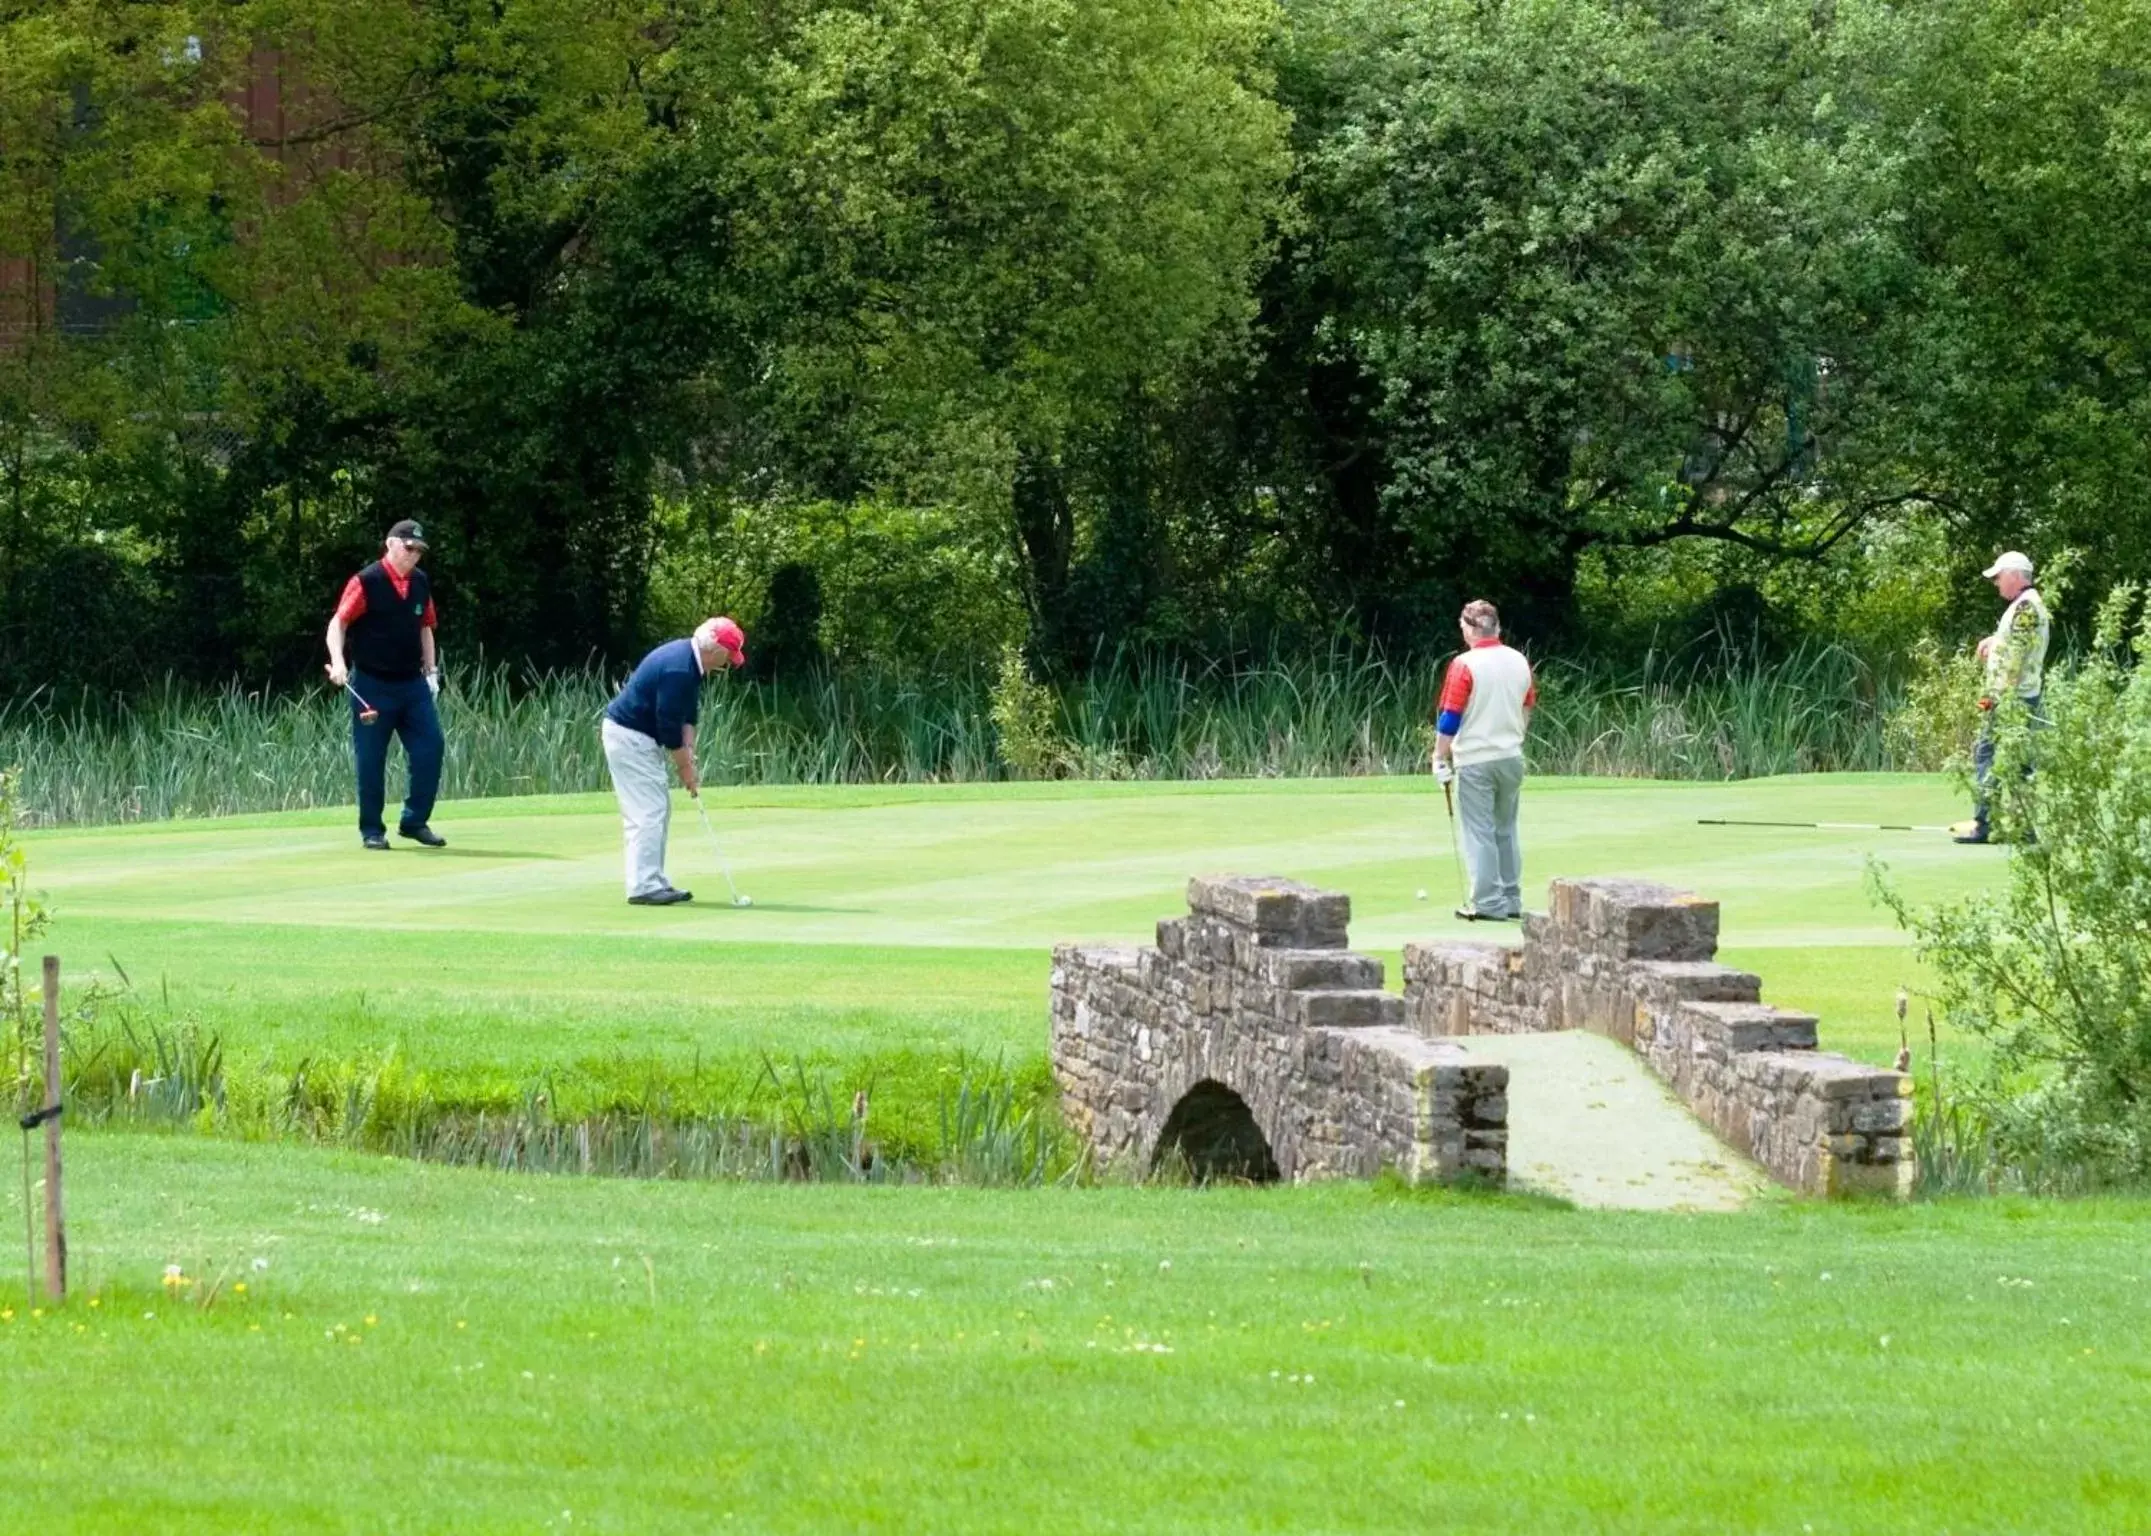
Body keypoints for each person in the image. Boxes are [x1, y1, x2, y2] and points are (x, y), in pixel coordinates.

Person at [601, 617, 748, 905]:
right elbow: (668, 727)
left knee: (657, 809)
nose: (728, 663)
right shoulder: (679, 668)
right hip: (630, 737)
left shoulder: (690, 663)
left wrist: (689, 753)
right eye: (729, 656)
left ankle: (652, 880)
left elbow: (687, 715)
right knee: (648, 811)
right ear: (715, 650)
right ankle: (643, 886)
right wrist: (685, 768)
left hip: (636, 736)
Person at [325, 519, 446, 851]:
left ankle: (414, 821)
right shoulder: (367, 581)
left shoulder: (420, 582)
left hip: (412, 685)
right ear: (391, 544)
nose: (414, 557)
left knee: (431, 748)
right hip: (371, 686)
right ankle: (372, 830)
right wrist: (338, 661)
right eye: (409, 549)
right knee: (371, 758)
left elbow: (426, 627)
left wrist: (431, 672)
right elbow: (339, 622)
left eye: (419, 552)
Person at [1432, 599, 1536, 921]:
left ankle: (1488, 903)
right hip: (1511, 756)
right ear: (1497, 627)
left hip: (1476, 759)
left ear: (1469, 628)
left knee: (1480, 831)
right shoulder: (1519, 660)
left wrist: (1438, 756)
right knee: (1505, 829)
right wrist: (1515, 734)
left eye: (1462, 625)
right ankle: (1511, 899)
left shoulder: (1465, 664)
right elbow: (1528, 705)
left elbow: (1450, 716)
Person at [1956, 550, 2051, 845]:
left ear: (2014, 575)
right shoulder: (2026, 606)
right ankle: (2023, 827)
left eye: (1999, 576)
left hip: (2011, 699)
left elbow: (2016, 660)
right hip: (2022, 697)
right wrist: (1993, 641)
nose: (1997, 582)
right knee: (2020, 763)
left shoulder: (2024, 609)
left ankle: (1986, 824)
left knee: (1987, 755)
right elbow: (2013, 643)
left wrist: (1993, 700)